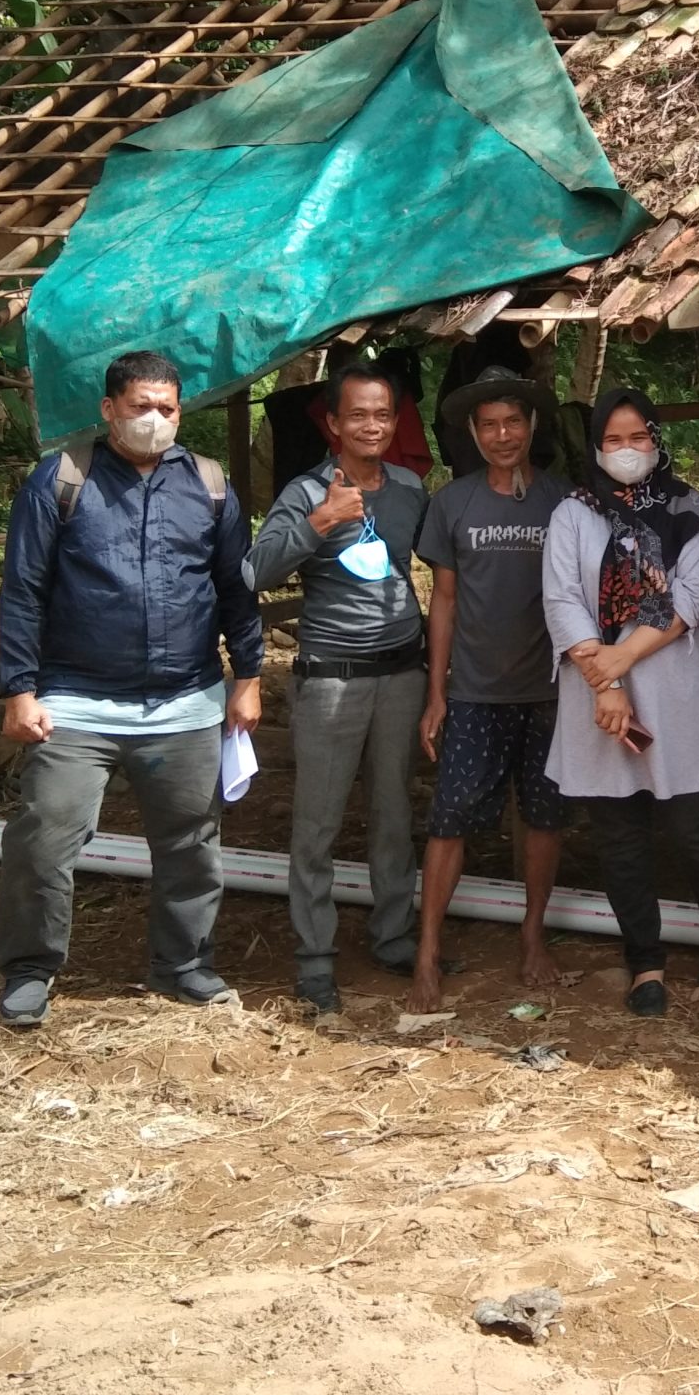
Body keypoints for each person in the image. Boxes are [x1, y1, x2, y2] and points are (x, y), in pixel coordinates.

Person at [0, 350, 263, 1029]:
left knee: (192, 845)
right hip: (77, 701)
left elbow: (236, 587)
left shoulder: (207, 483)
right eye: (140, 406)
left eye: (167, 408)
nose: (154, 420)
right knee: (44, 835)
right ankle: (30, 969)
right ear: (109, 408)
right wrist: (18, 690)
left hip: (185, 704)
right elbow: (23, 591)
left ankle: (182, 965)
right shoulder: (63, 479)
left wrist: (250, 677)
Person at [542, 389, 699, 1016]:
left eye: (637, 438)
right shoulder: (573, 513)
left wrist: (621, 662)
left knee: (697, 827)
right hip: (596, 697)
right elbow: (562, 598)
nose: (626, 451)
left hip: (670, 688)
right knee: (617, 834)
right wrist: (604, 684)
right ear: (596, 446)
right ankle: (645, 960)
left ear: (656, 440)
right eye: (613, 440)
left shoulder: (689, 510)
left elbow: (692, 597)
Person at [245, 359, 430, 1014]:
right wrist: (320, 522)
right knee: (317, 826)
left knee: (394, 816)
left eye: (383, 414)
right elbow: (254, 571)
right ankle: (316, 958)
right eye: (358, 414)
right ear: (333, 423)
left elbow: (432, 567)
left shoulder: (409, 488)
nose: (372, 425)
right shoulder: (304, 493)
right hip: (330, 680)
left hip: (403, 673)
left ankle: (393, 936)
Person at [409, 366, 571, 1014]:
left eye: (513, 422)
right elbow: (442, 602)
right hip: (474, 692)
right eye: (489, 425)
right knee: (449, 819)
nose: (503, 435)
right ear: (473, 435)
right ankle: (427, 949)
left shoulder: (563, 502)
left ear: (532, 427)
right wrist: (437, 691)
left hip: (551, 692)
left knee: (545, 817)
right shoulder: (454, 503)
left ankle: (532, 935)